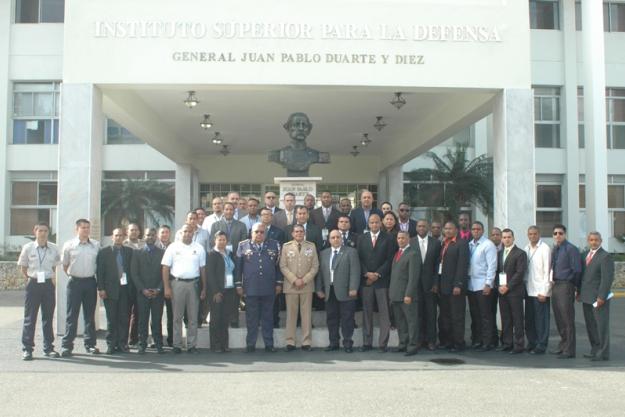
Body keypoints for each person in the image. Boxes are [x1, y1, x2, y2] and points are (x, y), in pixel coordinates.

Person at [236, 223, 282, 353]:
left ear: (265, 233)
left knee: (268, 317)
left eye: (262, 232)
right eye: (257, 232)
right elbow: (239, 267)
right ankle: (250, 344)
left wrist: (279, 283)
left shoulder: (275, 245)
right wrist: (239, 284)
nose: (259, 234)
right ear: (252, 233)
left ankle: (269, 344)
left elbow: (278, 267)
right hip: (251, 288)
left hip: (269, 287)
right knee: (251, 318)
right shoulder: (242, 245)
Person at [18, 222, 61, 360]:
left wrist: (51, 279)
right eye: (40, 230)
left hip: (48, 285)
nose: (43, 233)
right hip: (34, 284)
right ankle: (27, 349)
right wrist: (31, 278)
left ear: (48, 233)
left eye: (45, 231)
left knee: (48, 317)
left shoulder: (54, 248)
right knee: (30, 317)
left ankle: (48, 348)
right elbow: (23, 267)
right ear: (35, 232)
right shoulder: (28, 248)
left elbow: (55, 266)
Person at [161, 224, 207, 354]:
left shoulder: (199, 248)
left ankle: (192, 345)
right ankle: (177, 344)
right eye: (185, 231)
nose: (187, 233)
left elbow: (203, 269)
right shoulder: (173, 247)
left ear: (193, 233)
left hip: (194, 284)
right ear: (181, 233)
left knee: (193, 317)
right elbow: (165, 268)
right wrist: (166, 287)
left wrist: (204, 288)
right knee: (177, 316)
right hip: (177, 284)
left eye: (190, 231)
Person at [60, 219, 101, 357]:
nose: (86, 230)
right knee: (72, 315)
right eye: (83, 227)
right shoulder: (69, 245)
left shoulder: (95, 245)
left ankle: (90, 345)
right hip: (75, 283)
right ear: (76, 229)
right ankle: (67, 346)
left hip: (90, 282)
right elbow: (65, 265)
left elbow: (99, 265)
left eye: (88, 227)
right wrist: (74, 276)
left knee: (89, 316)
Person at [316, 230, 360, 353]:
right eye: (333, 237)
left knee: (347, 319)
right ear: (329, 240)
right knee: (331, 319)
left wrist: (353, 288)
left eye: (337, 237)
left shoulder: (351, 252)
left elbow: (355, 272)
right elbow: (320, 272)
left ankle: (347, 343)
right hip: (329, 291)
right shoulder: (324, 253)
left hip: (346, 291)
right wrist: (318, 288)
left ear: (342, 239)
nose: (335, 239)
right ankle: (333, 343)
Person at [279, 224, 319, 351]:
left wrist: (304, 280)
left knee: (306, 315)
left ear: (304, 233)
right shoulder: (286, 247)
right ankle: (290, 341)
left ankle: (306, 342)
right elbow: (283, 266)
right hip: (291, 286)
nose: (299, 234)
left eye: (301, 231)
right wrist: (295, 280)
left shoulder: (311, 246)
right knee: (291, 315)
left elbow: (315, 266)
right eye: (296, 232)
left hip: (306, 286)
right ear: (292, 233)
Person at [357, 214, 393, 352]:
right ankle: (367, 342)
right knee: (367, 312)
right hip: (366, 281)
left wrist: (377, 274)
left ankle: (383, 343)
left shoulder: (389, 238)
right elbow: (358, 258)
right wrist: (367, 273)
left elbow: (390, 259)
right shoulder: (362, 238)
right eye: (371, 222)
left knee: (384, 313)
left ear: (381, 223)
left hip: (382, 281)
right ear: (368, 224)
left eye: (377, 222)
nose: (374, 225)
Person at [210, 202, 250, 328]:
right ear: (223, 210)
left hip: (235, 258)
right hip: (220, 259)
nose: (228, 211)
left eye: (231, 209)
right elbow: (212, 241)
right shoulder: (215, 225)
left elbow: (244, 243)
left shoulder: (241, 225)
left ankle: (234, 319)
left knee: (233, 295)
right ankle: (221, 322)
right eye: (226, 209)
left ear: (234, 211)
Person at [97, 228, 134, 354]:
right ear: (112, 237)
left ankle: (123, 344)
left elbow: (132, 271)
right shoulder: (104, 252)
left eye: (121, 235)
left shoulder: (129, 251)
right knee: (111, 319)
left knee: (124, 318)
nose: (118, 237)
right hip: (110, 290)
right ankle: (111, 344)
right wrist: (101, 288)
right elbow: (100, 272)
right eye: (116, 235)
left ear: (124, 237)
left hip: (125, 290)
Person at [579, 231, 614, 361]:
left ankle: (603, 353)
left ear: (601, 241)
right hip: (586, 296)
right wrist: (579, 292)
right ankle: (595, 350)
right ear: (588, 241)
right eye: (591, 240)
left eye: (596, 240)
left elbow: (607, 279)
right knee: (591, 325)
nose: (593, 242)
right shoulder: (584, 255)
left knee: (601, 326)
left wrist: (602, 297)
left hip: (598, 298)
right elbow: (582, 276)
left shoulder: (605, 257)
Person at [131, 228, 165, 354]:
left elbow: (165, 273)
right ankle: (142, 344)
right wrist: (143, 289)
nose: (150, 237)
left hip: (157, 293)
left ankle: (158, 343)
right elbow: (134, 274)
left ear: (156, 236)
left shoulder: (162, 252)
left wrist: (159, 289)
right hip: (142, 293)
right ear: (143, 236)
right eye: (147, 235)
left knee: (157, 319)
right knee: (142, 320)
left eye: (152, 235)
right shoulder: (137, 253)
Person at [550, 224, 582, 359]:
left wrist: (575, 287)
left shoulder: (571, 249)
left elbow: (577, 270)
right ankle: (563, 345)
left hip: (566, 285)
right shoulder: (555, 249)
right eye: (555, 233)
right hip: (555, 285)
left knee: (567, 319)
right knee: (558, 318)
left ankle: (569, 350)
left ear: (565, 234)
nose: (558, 235)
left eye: (560, 233)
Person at [437, 221, 469, 352]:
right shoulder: (443, 243)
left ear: (456, 230)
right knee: (446, 316)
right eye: (446, 228)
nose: (448, 231)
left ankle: (458, 343)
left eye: (450, 229)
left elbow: (462, 266)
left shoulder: (461, 244)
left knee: (457, 316)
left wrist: (458, 284)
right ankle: (448, 341)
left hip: (455, 287)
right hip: (443, 286)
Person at [410, 219, 440, 351]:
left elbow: (437, 265)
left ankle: (431, 341)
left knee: (431, 313)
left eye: (424, 226)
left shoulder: (436, 243)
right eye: (419, 226)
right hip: (415, 285)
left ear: (428, 228)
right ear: (416, 228)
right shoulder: (410, 242)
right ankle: (418, 341)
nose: (421, 228)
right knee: (417, 314)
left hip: (430, 285)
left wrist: (435, 283)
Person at [467, 221, 497, 351]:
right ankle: (477, 339)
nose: (476, 231)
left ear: (483, 230)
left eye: (478, 229)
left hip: (483, 284)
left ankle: (488, 341)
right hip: (471, 285)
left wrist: (488, 283)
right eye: (473, 229)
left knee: (485, 315)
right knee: (475, 315)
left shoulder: (488, 245)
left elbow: (492, 266)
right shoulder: (470, 244)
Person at [389, 231, 421, 356]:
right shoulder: (397, 253)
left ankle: (412, 346)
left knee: (411, 321)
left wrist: (409, 294)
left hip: (407, 295)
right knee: (400, 321)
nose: (400, 240)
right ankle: (403, 343)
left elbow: (413, 277)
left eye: (403, 238)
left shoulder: (413, 254)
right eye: (399, 238)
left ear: (408, 239)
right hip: (396, 295)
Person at [496, 229, 527, 354]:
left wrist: (508, 286)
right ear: (502, 239)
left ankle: (519, 345)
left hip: (514, 291)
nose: (507, 239)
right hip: (502, 291)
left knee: (517, 318)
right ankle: (507, 343)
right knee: (506, 318)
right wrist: (498, 286)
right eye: (504, 237)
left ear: (513, 238)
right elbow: (497, 272)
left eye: (509, 237)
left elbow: (520, 273)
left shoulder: (520, 253)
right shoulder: (500, 253)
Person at [206, 231, 238, 353]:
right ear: (215, 240)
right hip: (217, 291)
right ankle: (215, 345)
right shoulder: (211, 254)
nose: (222, 242)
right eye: (219, 239)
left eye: (224, 239)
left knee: (225, 318)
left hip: (229, 290)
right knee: (215, 318)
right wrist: (215, 292)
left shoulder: (229, 254)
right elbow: (210, 275)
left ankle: (225, 344)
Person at [524, 225, 551, 355]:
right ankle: (532, 342)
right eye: (530, 234)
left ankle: (541, 344)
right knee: (530, 319)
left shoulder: (545, 249)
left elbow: (547, 271)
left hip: (540, 291)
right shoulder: (526, 248)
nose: (532, 236)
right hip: (529, 290)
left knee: (541, 320)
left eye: (535, 234)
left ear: (539, 234)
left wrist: (545, 291)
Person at [123, 223, 142, 347]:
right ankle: (123, 339)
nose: (134, 232)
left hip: (141, 283)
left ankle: (134, 338)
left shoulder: (144, 244)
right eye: (131, 230)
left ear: (139, 232)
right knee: (125, 312)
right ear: (127, 232)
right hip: (127, 283)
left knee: (139, 312)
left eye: (136, 230)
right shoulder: (123, 245)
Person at [156, 225, 174, 347]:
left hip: (171, 284)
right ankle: (157, 340)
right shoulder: (154, 247)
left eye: (167, 232)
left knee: (171, 314)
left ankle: (171, 339)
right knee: (157, 314)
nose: (165, 234)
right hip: (156, 285)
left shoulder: (174, 247)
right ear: (158, 234)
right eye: (162, 232)